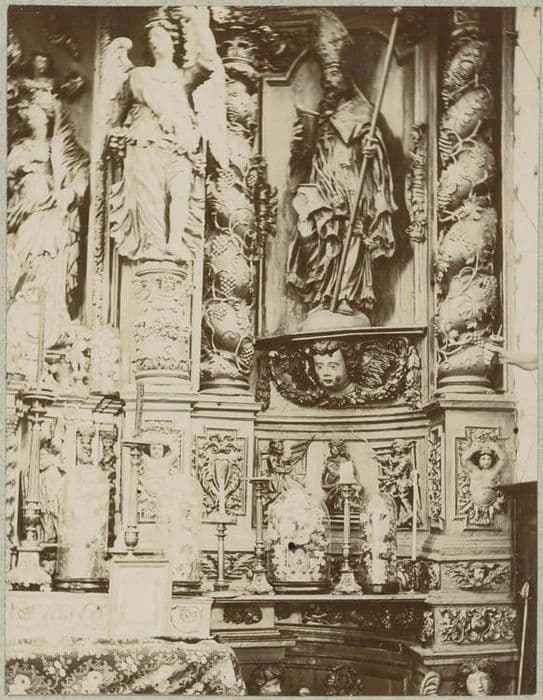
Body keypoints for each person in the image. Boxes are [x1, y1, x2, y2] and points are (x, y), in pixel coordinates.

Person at [287, 11, 397, 321]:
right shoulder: (320, 118)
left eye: (334, 78)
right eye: (326, 81)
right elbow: (304, 159)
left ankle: (347, 295)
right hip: (322, 185)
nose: (329, 85)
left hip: (351, 185)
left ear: (346, 80)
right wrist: (298, 147)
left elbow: (377, 156)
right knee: (320, 232)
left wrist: (373, 150)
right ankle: (323, 293)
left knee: (351, 234)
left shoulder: (363, 112)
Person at [108, 7, 223, 262]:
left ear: (174, 41)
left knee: (180, 192)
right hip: (146, 142)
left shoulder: (183, 77)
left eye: (159, 36)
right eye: (151, 38)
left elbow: (209, 60)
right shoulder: (139, 75)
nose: (154, 41)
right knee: (149, 193)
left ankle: (174, 243)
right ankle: (155, 244)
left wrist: (195, 19)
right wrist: (116, 133)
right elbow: (116, 114)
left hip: (179, 144)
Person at [7, 92, 88, 374]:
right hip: (24, 218)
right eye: (27, 110)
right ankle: (21, 319)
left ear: (47, 115)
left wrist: (65, 194)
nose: (28, 114)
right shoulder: (19, 149)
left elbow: (81, 178)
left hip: (51, 217)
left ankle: (48, 318)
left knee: (47, 265)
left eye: (35, 109)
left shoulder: (62, 148)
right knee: (23, 264)